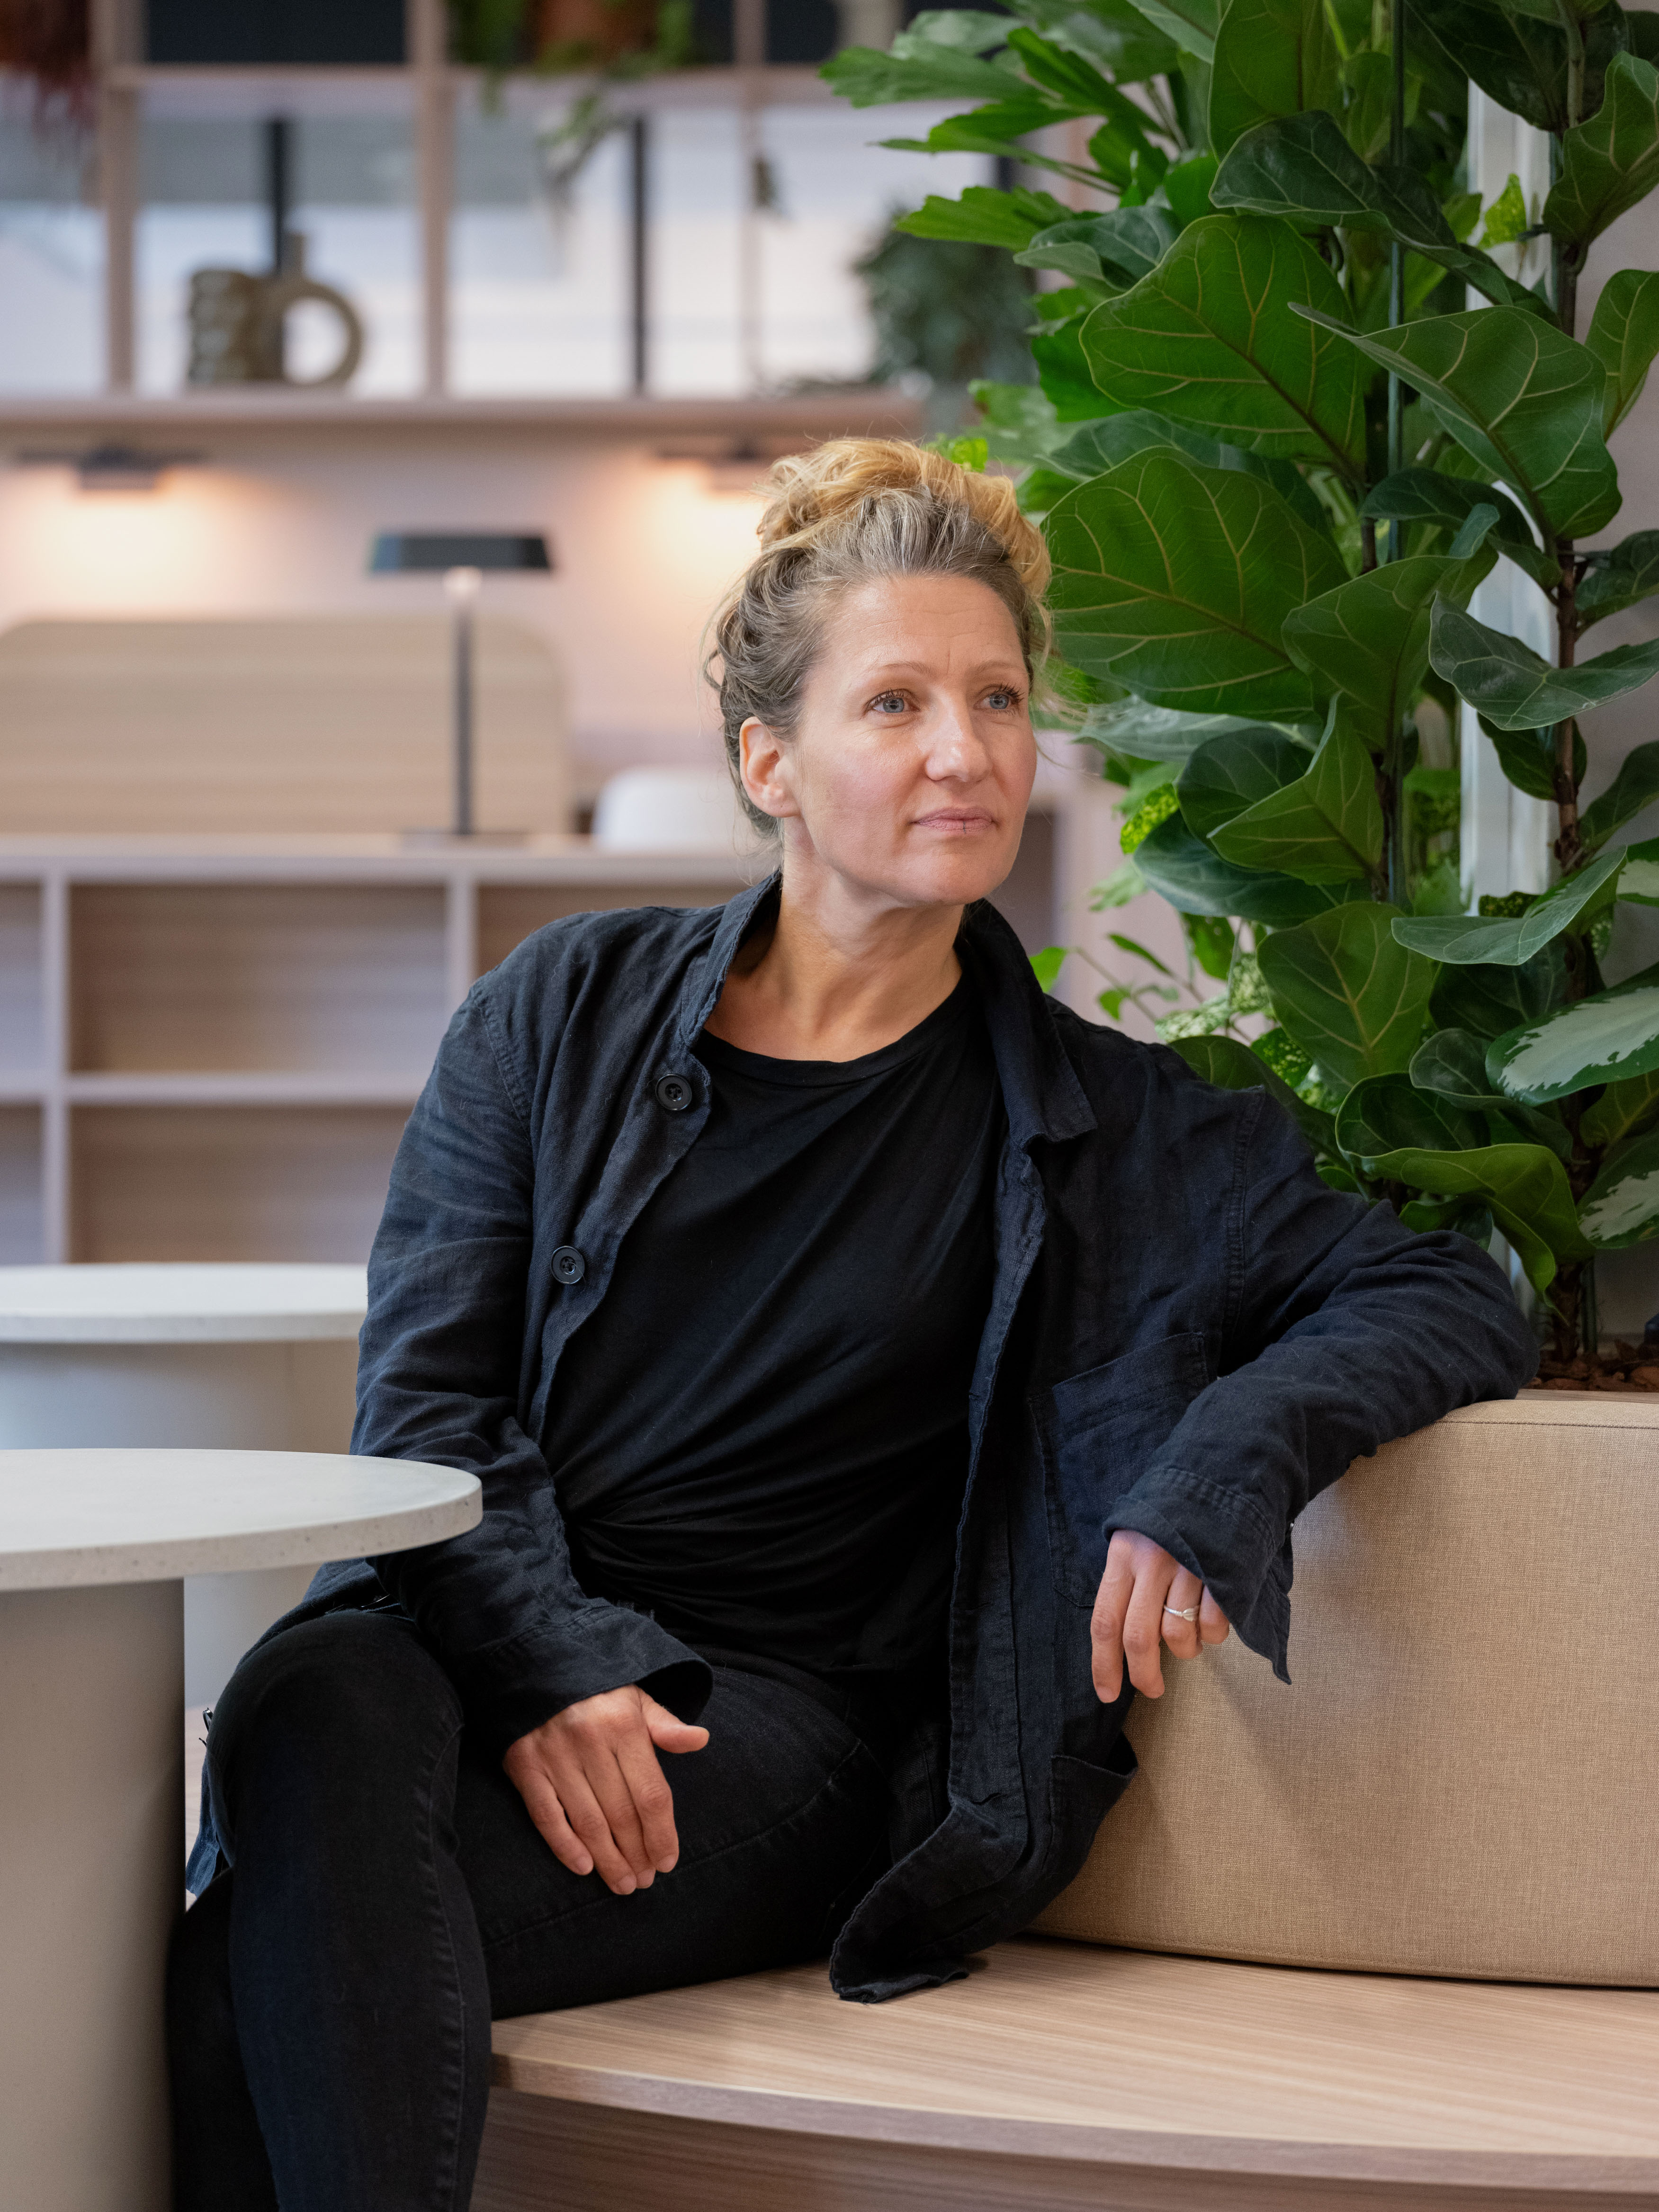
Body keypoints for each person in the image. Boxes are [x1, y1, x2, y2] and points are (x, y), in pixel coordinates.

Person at [167, 439, 1537, 2209]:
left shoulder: (1124, 1127)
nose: (965, 751)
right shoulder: (556, 1014)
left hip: (778, 1741)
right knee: (310, 1686)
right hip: (486, 1655)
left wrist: (1230, 1460)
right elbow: (427, 1412)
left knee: (236, 1966)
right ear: (772, 764)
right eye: (895, 703)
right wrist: (555, 1666)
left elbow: (1450, 1290)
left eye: (998, 699)